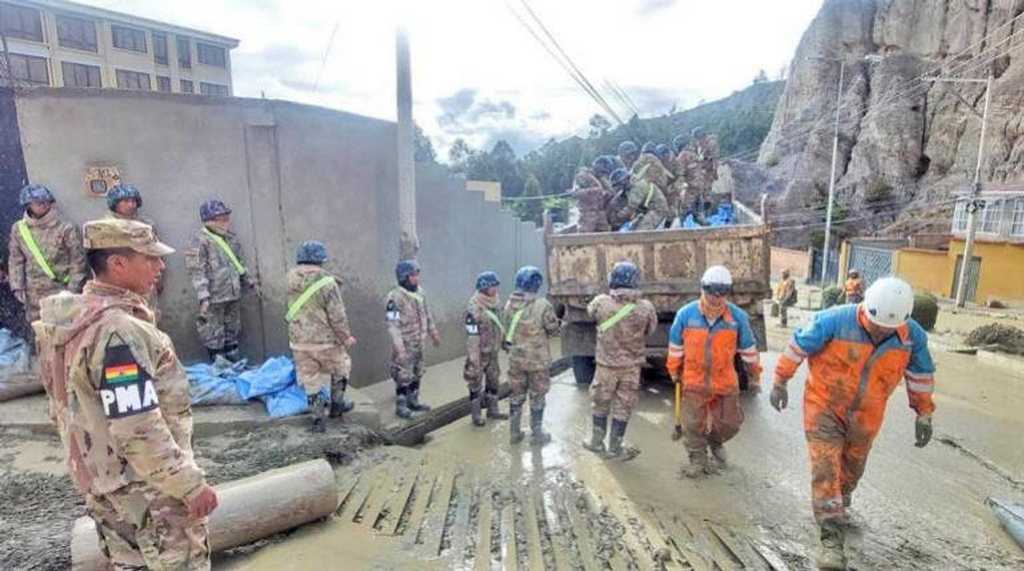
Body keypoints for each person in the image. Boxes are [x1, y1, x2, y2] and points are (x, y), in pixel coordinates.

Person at [33, 218, 217, 569]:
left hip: (106, 486)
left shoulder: (71, 321)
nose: (160, 266)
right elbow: (136, 425)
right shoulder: (119, 332)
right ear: (118, 264)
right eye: (150, 258)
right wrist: (189, 485)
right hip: (150, 490)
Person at [769, 276, 935, 570]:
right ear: (865, 307)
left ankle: (840, 500)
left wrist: (923, 413)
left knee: (852, 469)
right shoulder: (833, 320)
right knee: (825, 467)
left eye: (888, 328)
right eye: (875, 324)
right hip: (824, 407)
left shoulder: (912, 336)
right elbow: (797, 346)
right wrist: (780, 381)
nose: (880, 331)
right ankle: (831, 539)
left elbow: (920, 375)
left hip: (867, 415)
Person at [666, 265, 762, 477]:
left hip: (724, 380)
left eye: (722, 293)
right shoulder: (686, 315)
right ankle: (697, 459)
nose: (716, 298)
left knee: (730, 422)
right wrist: (674, 370)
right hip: (694, 379)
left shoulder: (737, 318)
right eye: (711, 292)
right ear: (703, 289)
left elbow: (748, 350)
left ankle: (715, 441)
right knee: (692, 424)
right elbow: (675, 347)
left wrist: (754, 375)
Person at [582, 261, 657, 460]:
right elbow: (650, 330)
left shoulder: (601, 302)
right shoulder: (646, 308)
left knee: (600, 402)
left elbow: (591, 315)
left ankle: (596, 442)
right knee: (623, 406)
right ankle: (616, 446)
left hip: (605, 366)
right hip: (631, 367)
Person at [286, 241, 356, 433]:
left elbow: (307, 281)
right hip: (325, 341)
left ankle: (318, 420)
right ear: (320, 260)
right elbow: (337, 315)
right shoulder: (328, 283)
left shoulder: (290, 278)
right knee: (341, 368)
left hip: (299, 341)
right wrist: (346, 337)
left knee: (310, 379)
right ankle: (337, 406)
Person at [7, 184, 87, 338]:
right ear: (28, 205)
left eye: (46, 202)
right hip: (34, 296)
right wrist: (17, 286)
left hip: (62, 291)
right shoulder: (19, 229)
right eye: (38, 203)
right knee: (42, 337)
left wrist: (73, 289)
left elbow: (78, 261)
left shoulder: (65, 228)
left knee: (67, 334)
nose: (44, 205)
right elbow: (16, 259)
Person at [184, 199, 259, 362]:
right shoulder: (199, 240)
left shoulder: (230, 239)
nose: (225, 222)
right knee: (213, 334)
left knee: (232, 332)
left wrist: (248, 281)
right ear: (208, 220)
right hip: (214, 297)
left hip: (233, 294)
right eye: (220, 219)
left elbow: (239, 263)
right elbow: (196, 270)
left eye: (226, 218)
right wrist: (203, 296)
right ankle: (219, 368)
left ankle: (234, 366)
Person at [503, 266, 560, 445]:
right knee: (537, 395)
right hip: (537, 362)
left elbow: (506, 329)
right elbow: (553, 330)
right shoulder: (543, 305)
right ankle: (536, 434)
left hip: (516, 361)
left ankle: (514, 432)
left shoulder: (508, 304)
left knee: (516, 395)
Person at [386, 259, 440, 419]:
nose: (417, 278)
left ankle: (414, 401)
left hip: (419, 341)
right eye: (413, 275)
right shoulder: (394, 297)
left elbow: (427, 313)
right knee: (404, 374)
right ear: (404, 277)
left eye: (417, 275)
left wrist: (433, 332)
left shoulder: (420, 293)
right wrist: (399, 347)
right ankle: (401, 406)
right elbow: (392, 325)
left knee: (418, 371)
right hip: (405, 343)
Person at [106, 184, 163, 318]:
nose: (131, 205)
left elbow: (156, 252)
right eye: (125, 201)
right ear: (115, 204)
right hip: (116, 281)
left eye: (134, 201)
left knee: (147, 316)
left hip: (144, 279)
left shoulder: (147, 225)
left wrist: (158, 278)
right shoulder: (104, 226)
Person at [463, 271, 508, 426]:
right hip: (479, 352)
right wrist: (474, 358)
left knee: (494, 380)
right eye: (492, 286)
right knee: (475, 381)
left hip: (493, 351)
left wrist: (504, 341)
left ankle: (493, 410)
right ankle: (476, 415)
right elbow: (472, 335)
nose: (495, 289)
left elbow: (500, 324)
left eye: (496, 286)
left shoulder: (496, 302)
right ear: (483, 287)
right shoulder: (474, 306)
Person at [568, 168, 611, 233]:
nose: (603, 175)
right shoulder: (583, 176)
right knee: (584, 237)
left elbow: (609, 191)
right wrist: (597, 191)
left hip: (599, 211)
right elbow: (577, 193)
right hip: (588, 212)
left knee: (604, 234)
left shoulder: (599, 178)